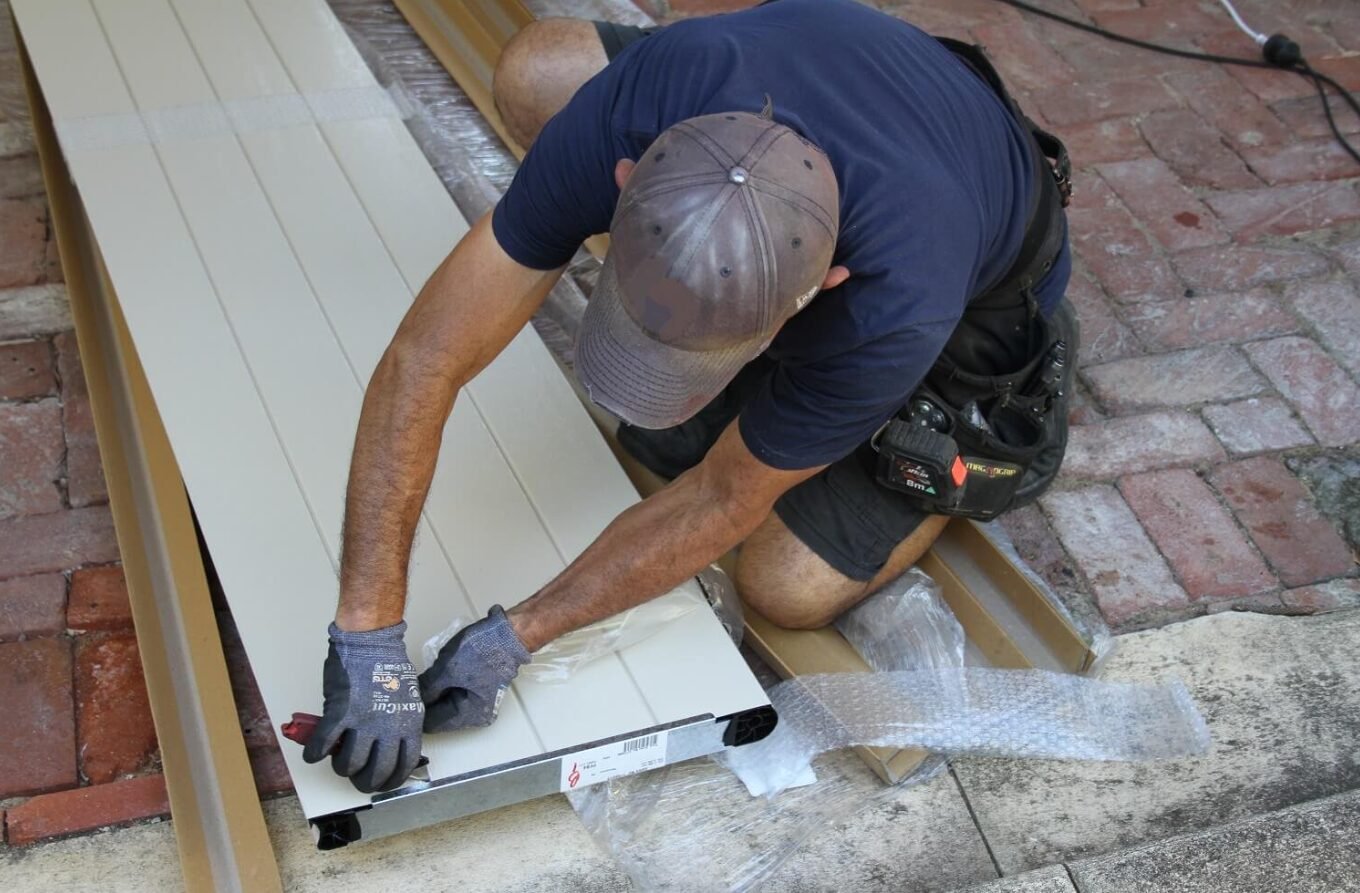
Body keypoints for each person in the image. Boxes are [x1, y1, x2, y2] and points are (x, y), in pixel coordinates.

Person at [304, 0, 1077, 793]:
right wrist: (367, 628)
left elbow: (719, 495)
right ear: (629, 176)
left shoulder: (893, 307)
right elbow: (424, 357)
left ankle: (962, 449)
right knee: (539, 72)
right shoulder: (644, 102)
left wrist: (517, 637)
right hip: (855, 92)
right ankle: (713, 314)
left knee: (787, 586)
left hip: (981, 295)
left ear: (824, 288)